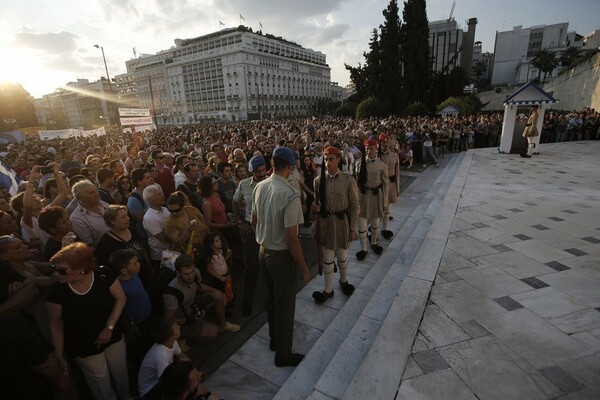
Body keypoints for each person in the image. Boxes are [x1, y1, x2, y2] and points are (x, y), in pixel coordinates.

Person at [46, 242, 129, 400]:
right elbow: (55, 325)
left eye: (62, 270)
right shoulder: (57, 291)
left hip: (113, 337)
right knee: (100, 384)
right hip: (84, 346)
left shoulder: (103, 274)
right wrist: (59, 356)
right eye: (54, 268)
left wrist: (109, 328)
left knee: (121, 374)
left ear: (82, 269)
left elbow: (120, 298)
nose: (56, 274)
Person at [251, 146, 311, 367]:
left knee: (271, 301)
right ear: (290, 167)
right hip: (281, 257)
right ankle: (283, 355)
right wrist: (304, 267)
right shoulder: (289, 194)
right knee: (285, 307)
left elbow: (253, 221)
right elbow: (292, 238)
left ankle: (274, 341)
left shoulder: (259, 186)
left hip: (262, 252)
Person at [311, 146, 359, 304]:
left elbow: (354, 206)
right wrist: (315, 207)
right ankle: (328, 289)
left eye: (331, 159)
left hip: (341, 222)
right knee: (328, 258)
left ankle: (344, 281)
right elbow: (316, 203)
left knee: (342, 256)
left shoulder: (348, 179)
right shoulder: (318, 181)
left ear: (338, 159)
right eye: (326, 159)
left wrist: (353, 229)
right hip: (325, 224)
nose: (327, 162)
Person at [163, 255, 240, 343]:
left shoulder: (196, 272)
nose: (191, 276)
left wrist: (218, 292)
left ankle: (223, 324)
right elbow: (168, 319)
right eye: (186, 274)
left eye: (192, 272)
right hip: (184, 321)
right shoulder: (171, 294)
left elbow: (198, 285)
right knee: (214, 333)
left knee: (218, 295)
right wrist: (189, 320)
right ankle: (183, 338)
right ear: (178, 273)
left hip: (192, 307)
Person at [232, 155, 267, 316]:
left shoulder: (271, 184)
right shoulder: (244, 185)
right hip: (251, 231)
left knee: (269, 267)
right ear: (251, 172)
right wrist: (239, 221)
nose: (261, 174)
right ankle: (248, 301)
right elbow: (234, 201)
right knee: (251, 268)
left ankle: (270, 299)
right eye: (258, 172)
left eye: (263, 170)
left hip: (269, 230)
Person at [137, 318, 190, 399]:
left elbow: (182, 357)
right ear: (170, 337)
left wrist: (193, 371)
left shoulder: (172, 342)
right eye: (176, 328)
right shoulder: (160, 355)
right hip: (150, 391)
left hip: (162, 380)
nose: (179, 327)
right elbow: (167, 381)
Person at [355, 139, 389, 261]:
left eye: (372, 148)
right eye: (367, 149)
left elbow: (385, 184)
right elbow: (356, 183)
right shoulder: (359, 163)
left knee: (375, 224)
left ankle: (374, 242)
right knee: (362, 225)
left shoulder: (382, 165)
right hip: (363, 197)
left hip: (376, 196)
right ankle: (363, 248)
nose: (369, 151)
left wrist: (385, 202)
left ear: (376, 149)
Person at [163, 191, 210, 256]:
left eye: (177, 210)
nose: (173, 213)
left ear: (183, 206)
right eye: (170, 211)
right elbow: (177, 244)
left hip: (207, 247)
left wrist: (211, 240)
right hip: (191, 254)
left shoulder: (192, 210)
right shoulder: (169, 223)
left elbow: (205, 224)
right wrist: (188, 231)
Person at [69, 180, 111, 246]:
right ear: (80, 197)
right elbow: (90, 245)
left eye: (96, 190)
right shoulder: (77, 218)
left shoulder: (104, 204)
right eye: (91, 193)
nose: (97, 194)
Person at [143, 184, 171, 266]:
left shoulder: (165, 209)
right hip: (162, 254)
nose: (163, 196)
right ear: (151, 199)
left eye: (161, 193)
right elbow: (163, 238)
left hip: (172, 249)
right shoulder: (149, 217)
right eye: (159, 194)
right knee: (168, 273)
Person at [378, 134, 400, 240]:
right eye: (383, 143)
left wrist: (398, 187)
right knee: (379, 210)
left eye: (386, 142)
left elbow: (397, 172)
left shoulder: (394, 155)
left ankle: (384, 229)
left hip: (391, 185)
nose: (385, 145)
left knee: (388, 210)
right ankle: (374, 230)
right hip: (380, 185)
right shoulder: (377, 157)